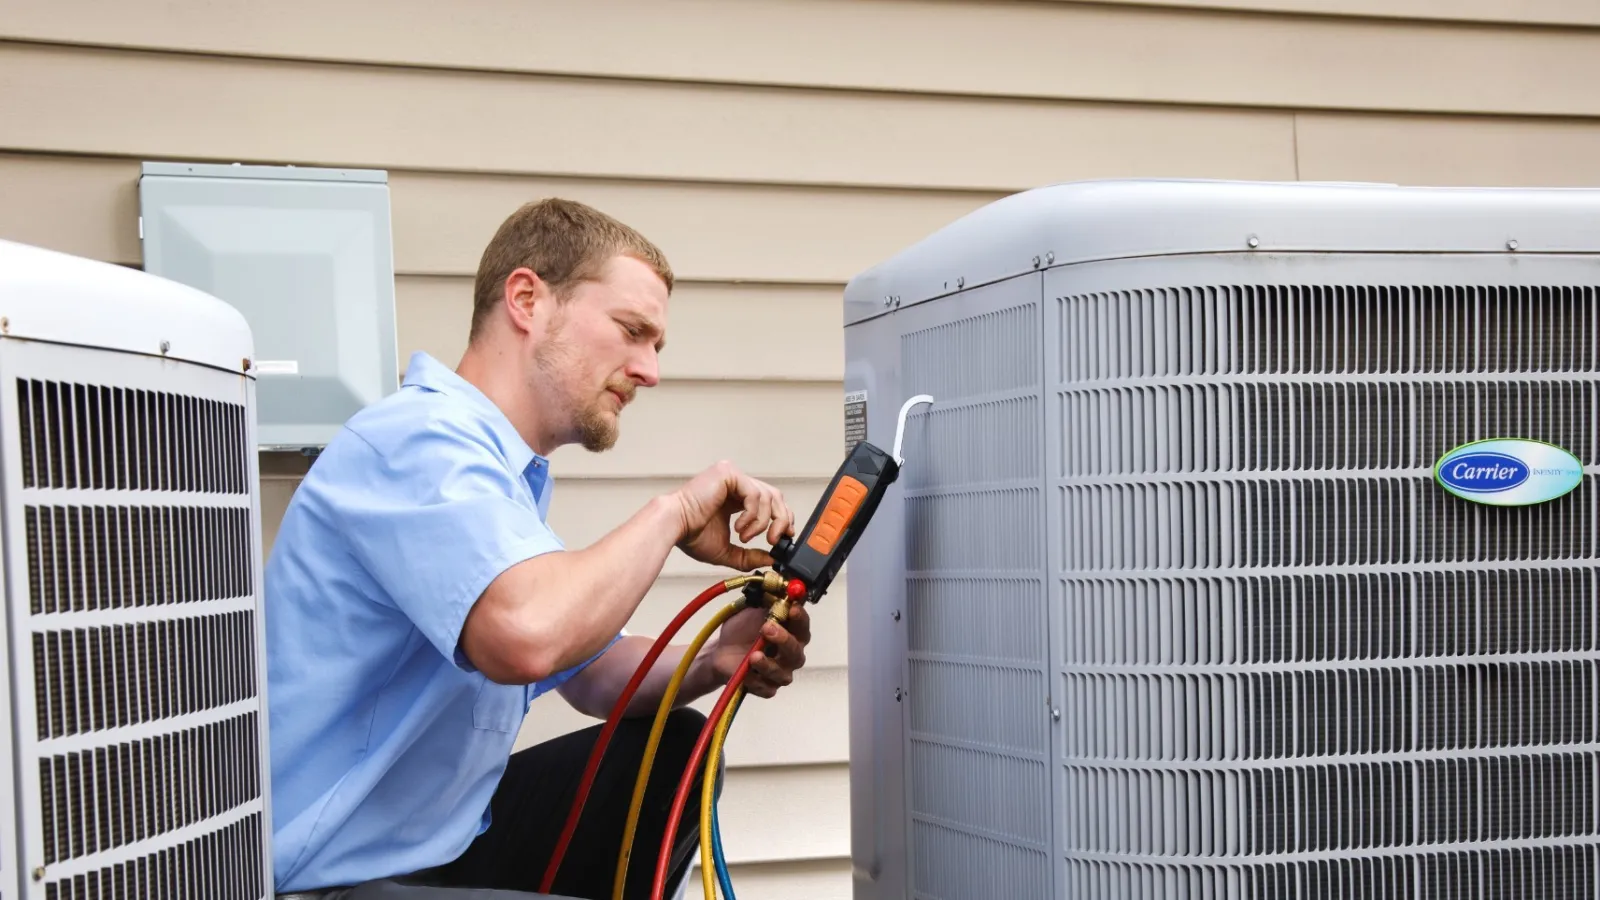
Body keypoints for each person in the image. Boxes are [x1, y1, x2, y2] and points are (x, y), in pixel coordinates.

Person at [264, 198, 810, 899]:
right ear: (527, 299)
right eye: (630, 331)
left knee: (674, 750)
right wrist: (673, 513)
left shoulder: (503, 474)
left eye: (657, 346)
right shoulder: (416, 442)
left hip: (450, 849)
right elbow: (527, 637)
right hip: (336, 882)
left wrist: (716, 659)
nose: (649, 371)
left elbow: (585, 669)